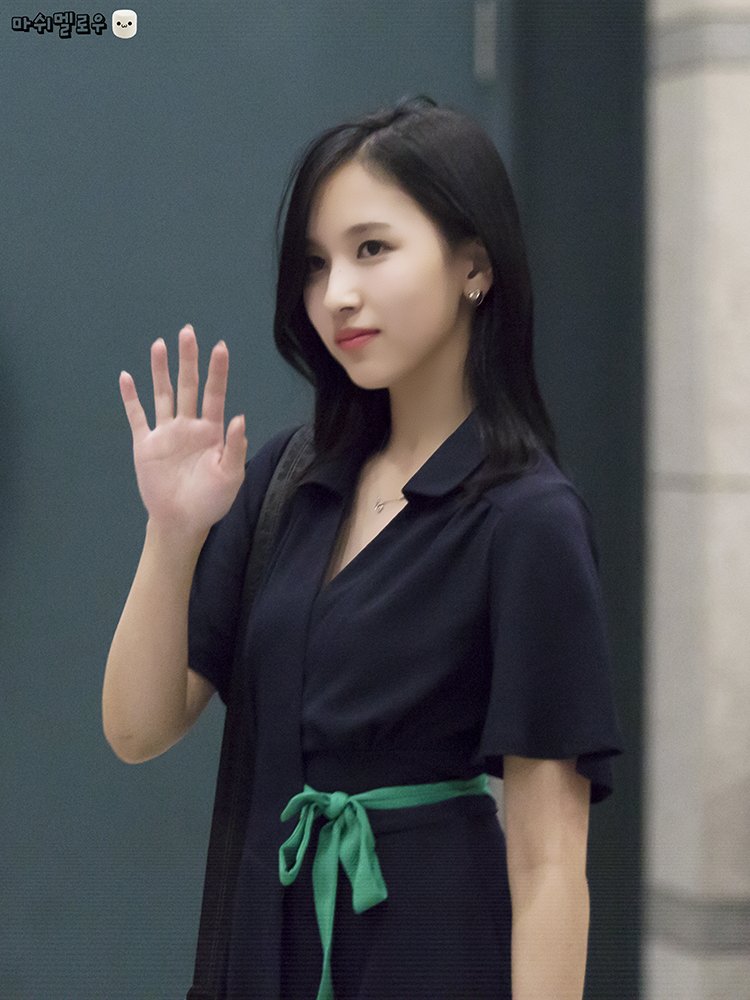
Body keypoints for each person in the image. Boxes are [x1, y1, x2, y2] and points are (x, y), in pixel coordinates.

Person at [103, 95, 625, 999]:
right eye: (316, 264)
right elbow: (137, 730)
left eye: (372, 249)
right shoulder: (289, 479)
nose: (335, 293)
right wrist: (172, 534)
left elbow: (550, 865)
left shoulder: (528, 518)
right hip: (260, 951)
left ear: (474, 265)